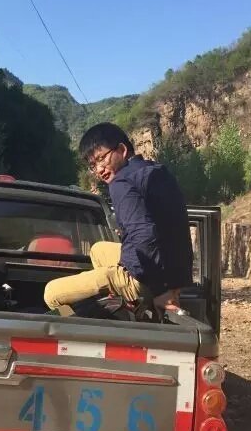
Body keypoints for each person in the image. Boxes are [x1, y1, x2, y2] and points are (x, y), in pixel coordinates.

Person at [43, 122, 193, 316]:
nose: (99, 169)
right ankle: (118, 304)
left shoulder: (121, 182)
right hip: (173, 273)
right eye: (92, 165)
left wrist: (160, 291)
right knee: (98, 250)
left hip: (148, 280)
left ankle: (96, 322)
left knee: (51, 293)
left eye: (101, 158)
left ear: (122, 150)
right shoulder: (156, 170)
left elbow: (144, 235)